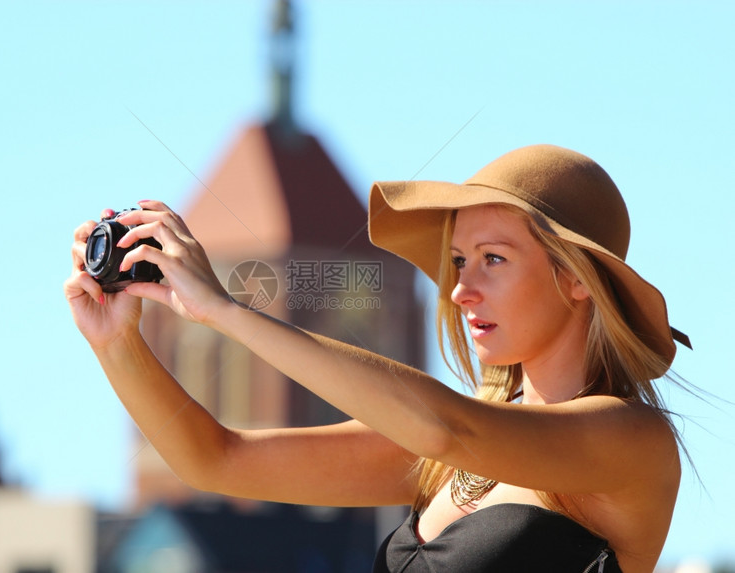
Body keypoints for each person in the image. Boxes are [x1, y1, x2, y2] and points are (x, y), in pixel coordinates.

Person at [65, 144, 690, 573]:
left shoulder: (632, 441)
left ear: (577, 278)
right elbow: (214, 459)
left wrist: (226, 311)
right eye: (459, 263)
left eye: (494, 259)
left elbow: (446, 427)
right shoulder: (442, 451)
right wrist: (117, 342)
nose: (462, 290)